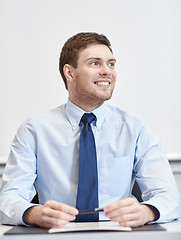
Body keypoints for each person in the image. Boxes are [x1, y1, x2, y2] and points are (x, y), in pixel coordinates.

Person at [0, 32, 180, 228]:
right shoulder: (34, 130)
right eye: (95, 63)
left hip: (120, 233)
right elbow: (8, 199)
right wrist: (34, 214)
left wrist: (146, 212)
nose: (107, 71)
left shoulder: (135, 128)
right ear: (70, 73)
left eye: (111, 64)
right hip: (56, 234)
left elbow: (168, 196)